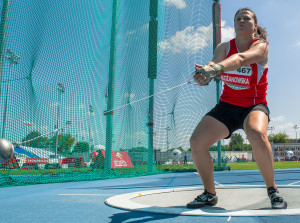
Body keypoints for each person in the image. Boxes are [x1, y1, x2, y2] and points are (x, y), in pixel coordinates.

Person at [187, 8, 287, 209]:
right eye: (237, 19)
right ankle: (209, 193)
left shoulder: (261, 47)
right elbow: (214, 63)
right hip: (227, 106)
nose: (241, 21)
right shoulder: (224, 47)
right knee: (197, 142)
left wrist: (216, 69)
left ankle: (273, 191)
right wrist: (205, 74)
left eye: (246, 18)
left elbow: (241, 60)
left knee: (256, 132)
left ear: (255, 26)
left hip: (253, 105)